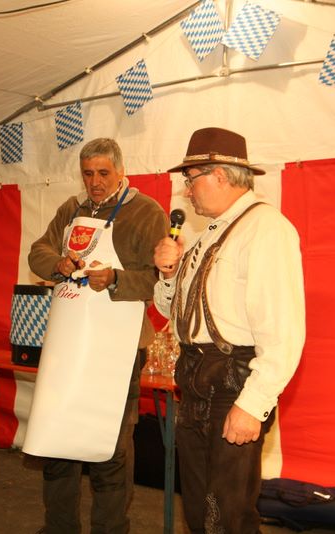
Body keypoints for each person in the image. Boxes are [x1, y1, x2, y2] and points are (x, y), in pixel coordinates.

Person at [152, 127, 306, 533]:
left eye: (191, 179)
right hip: (196, 379)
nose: (187, 191)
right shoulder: (210, 233)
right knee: (200, 509)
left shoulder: (266, 229)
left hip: (233, 382)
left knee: (228, 513)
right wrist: (168, 274)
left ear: (219, 175)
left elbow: (283, 328)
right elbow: (173, 314)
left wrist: (253, 403)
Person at [27, 137, 168, 534]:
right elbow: (37, 251)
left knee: (111, 445)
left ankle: (110, 528)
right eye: (88, 173)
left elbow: (160, 279)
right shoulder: (71, 209)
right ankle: (58, 528)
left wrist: (116, 279)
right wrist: (58, 262)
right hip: (69, 342)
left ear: (121, 172)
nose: (95, 182)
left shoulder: (146, 212)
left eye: (103, 173)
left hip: (117, 348)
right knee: (56, 437)